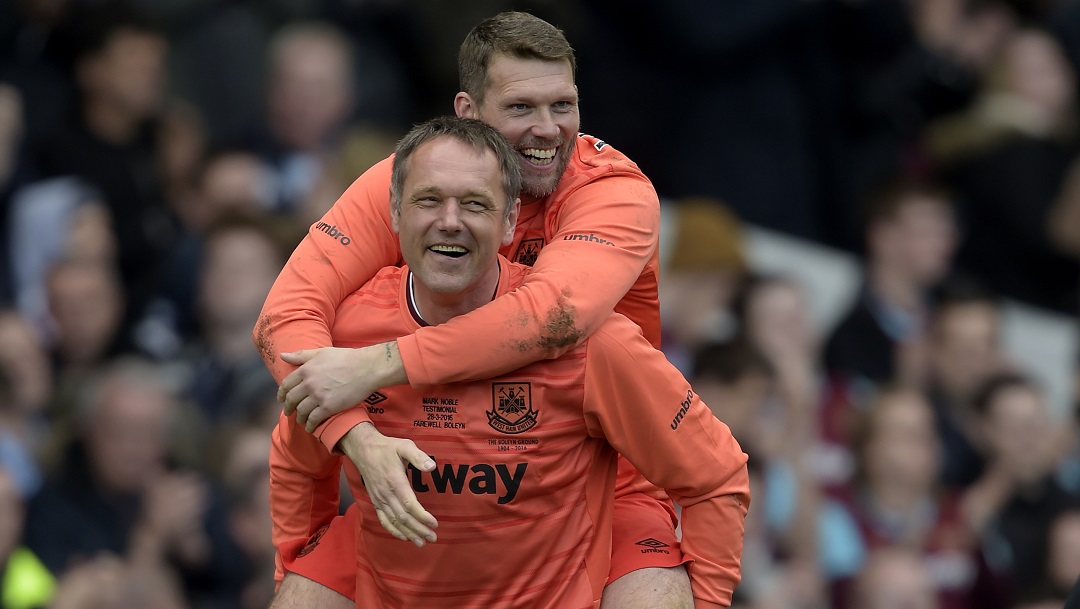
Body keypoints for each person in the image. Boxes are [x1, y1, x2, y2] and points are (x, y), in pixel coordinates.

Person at [257, 11, 702, 609]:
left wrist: (378, 365)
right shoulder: (413, 184)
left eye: (563, 106)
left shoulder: (612, 191)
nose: (548, 130)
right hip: (416, 475)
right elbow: (283, 320)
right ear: (468, 114)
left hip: (592, 479)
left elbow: (553, 319)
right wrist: (356, 437)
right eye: (521, 108)